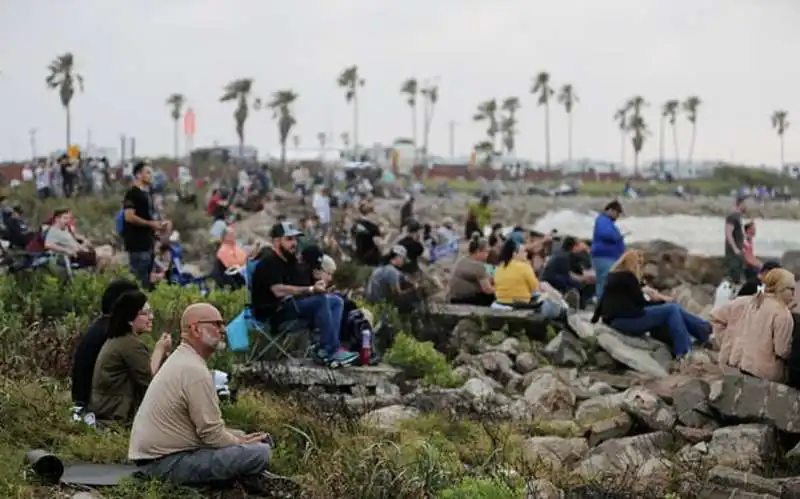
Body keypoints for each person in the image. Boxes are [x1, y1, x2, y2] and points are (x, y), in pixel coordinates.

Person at [129, 303, 281, 493]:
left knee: (249, 439)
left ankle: (244, 480)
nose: (223, 330)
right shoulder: (194, 370)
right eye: (216, 324)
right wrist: (242, 443)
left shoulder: (183, 360)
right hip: (165, 464)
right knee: (260, 453)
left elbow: (205, 430)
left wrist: (241, 437)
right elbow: (210, 434)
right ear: (195, 329)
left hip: (161, 458)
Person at [251, 222, 357, 365]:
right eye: (289, 239)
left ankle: (324, 349)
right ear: (276, 241)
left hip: (290, 306)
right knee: (319, 300)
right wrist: (311, 290)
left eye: (295, 239)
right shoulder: (268, 262)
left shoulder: (290, 262)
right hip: (273, 313)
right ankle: (331, 350)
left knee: (336, 301)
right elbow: (278, 290)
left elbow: (301, 287)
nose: (294, 243)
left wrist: (316, 283)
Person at [591, 250, 710, 359]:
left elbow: (601, 302)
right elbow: (641, 304)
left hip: (616, 321)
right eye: (639, 264)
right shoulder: (629, 278)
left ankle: (703, 330)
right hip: (626, 322)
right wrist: (658, 300)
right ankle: (685, 351)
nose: (641, 268)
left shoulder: (612, 277)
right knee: (672, 309)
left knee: (674, 308)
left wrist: (594, 321)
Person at [90, 291, 171, 423]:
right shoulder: (129, 345)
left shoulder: (119, 340)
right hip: (115, 418)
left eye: (151, 312)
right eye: (145, 313)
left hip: (106, 412)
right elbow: (150, 381)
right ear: (129, 318)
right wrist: (160, 349)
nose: (151, 317)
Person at [711, 268, 794, 383]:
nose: (793, 294)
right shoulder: (783, 314)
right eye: (791, 289)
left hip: (744, 365)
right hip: (767, 374)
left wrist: (725, 340)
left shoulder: (753, 302)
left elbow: (716, 316)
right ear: (780, 288)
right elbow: (781, 350)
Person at [71, 279, 140, 414]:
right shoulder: (114, 334)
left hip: (85, 405)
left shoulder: (100, 327)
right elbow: (144, 378)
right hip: (97, 411)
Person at [123, 162, 168, 289]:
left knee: (148, 279)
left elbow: (148, 216)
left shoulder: (147, 194)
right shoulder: (132, 193)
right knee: (138, 280)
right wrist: (150, 223)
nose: (150, 175)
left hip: (148, 242)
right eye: (147, 172)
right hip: (137, 244)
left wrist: (158, 226)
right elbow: (129, 216)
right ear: (138, 175)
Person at [493, 238, 563, 317]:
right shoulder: (524, 266)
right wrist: (548, 293)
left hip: (502, 301)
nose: (526, 254)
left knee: (544, 287)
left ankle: (562, 303)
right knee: (548, 295)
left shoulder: (499, 267)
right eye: (523, 252)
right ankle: (563, 306)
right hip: (521, 303)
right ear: (514, 254)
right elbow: (536, 288)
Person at [541, 236, 595, 309]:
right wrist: (582, 280)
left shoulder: (560, 252)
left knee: (582, 283)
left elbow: (567, 272)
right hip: (553, 279)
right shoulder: (565, 256)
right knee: (582, 285)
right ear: (574, 246)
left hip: (551, 277)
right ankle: (579, 305)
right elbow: (567, 276)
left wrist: (582, 278)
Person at [364, 245, 419, 312]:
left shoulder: (382, 266)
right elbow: (398, 295)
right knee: (412, 295)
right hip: (379, 305)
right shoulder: (392, 272)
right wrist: (414, 289)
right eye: (403, 259)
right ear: (398, 257)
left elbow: (401, 275)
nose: (404, 262)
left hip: (370, 301)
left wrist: (407, 278)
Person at [591, 200, 626, 301]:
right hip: (605, 257)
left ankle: (603, 303)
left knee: (606, 281)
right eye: (617, 213)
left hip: (609, 257)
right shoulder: (602, 220)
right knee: (605, 282)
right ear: (610, 210)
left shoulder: (607, 222)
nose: (618, 217)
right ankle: (602, 304)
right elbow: (605, 234)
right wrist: (618, 237)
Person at [448, 234, 495, 306]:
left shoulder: (463, 259)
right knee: (495, 297)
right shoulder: (478, 266)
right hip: (463, 300)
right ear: (478, 251)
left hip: (453, 297)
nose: (488, 255)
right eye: (486, 252)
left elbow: (487, 278)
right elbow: (487, 290)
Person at [724, 196, 748, 284]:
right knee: (734, 278)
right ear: (740, 204)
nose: (746, 206)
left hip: (738, 254)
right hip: (733, 254)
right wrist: (735, 249)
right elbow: (728, 234)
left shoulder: (738, 217)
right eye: (745, 204)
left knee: (738, 278)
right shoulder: (732, 217)